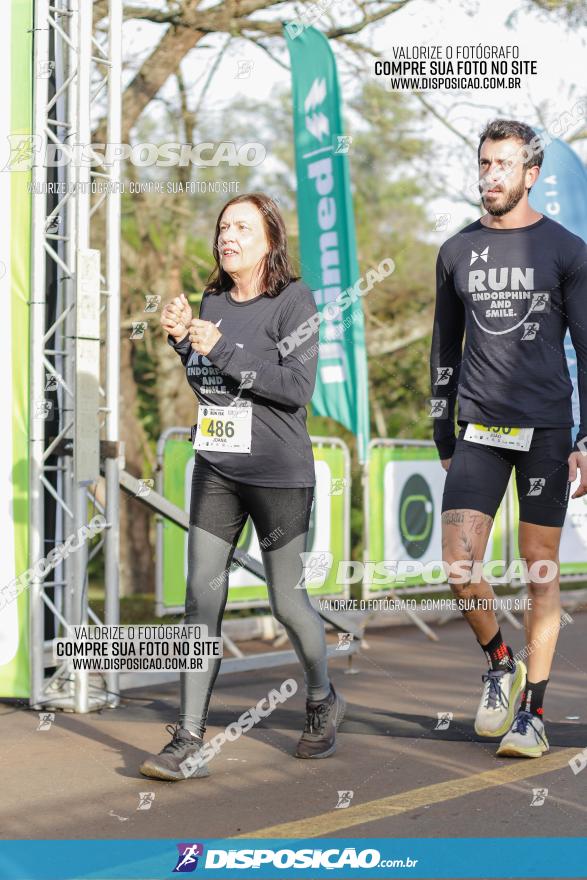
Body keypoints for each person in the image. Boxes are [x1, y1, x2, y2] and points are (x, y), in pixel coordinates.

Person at [139, 192, 345, 781]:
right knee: (201, 598)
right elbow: (213, 388)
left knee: (286, 602)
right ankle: (188, 738)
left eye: (242, 228)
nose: (228, 236)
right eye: (224, 227)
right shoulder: (212, 301)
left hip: (279, 473)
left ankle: (321, 698)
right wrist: (184, 342)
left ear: (270, 240)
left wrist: (219, 345)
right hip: (217, 470)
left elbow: (294, 388)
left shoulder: (294, 300)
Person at [430, 119, 587, 758]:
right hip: (480, 429)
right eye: (485, 163)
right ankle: (500, 662)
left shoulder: (567, 250)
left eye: (503, 165)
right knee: (458, 567)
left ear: (531, 174)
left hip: (548, 428)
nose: (490, 176)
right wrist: (443, 430)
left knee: (539, 572)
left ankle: (534, 713)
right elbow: (444, 348)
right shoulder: (454, 251)